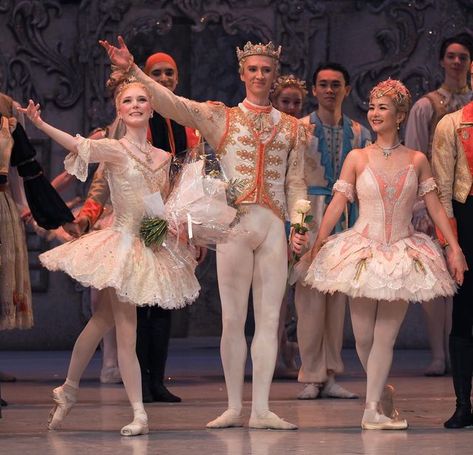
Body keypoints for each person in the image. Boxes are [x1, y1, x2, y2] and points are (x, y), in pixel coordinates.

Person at [100, 36, 308, 430]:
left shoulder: (293, 128)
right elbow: (171, 104)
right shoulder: (221, 116)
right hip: (234, 227)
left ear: (274, 74)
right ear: (242, 73)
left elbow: (296, 183)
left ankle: (261, 409)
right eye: (253, 69)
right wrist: (132, 70)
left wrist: (299, 228)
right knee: (232, 319)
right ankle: (234, 406)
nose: (260, 76)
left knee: (268, 319)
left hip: (272, 226)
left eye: (266, 70)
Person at [20, 79, 201, 436]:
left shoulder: (164, 158)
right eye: (128, 101)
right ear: (119, 110)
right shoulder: (115, 149)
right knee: (126, 328)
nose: (135, 105)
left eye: (142, 100)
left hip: (147, 245)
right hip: (119, 245)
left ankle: (68, 389)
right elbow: (78, 144)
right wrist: (40, 125)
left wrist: (177, 231)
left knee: (103, 321)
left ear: (152, 108)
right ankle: (138, 413)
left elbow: (163, 206)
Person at [304, 79, 466, 430]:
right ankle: (382, 394)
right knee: (363, 338)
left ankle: (372, 409)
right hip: (363, 249)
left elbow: (436, 207)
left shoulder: (417, 160)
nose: (375, 113)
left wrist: (453, 247)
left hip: (403, 254)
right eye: (372, 107)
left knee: (385, 337)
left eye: (383, 107)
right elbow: (338, 202)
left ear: (400, 115)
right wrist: (318, 240)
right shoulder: (357, 157)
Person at [68, 52, 200, 402]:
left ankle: (155, 380)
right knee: (132, 310)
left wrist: (190, 230)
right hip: (130, 221)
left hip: (166, 225)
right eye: (156, 73)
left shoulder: (187, 125)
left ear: (177, 77)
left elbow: (189, 184)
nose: (164, 78)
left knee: (162, 306)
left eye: (169, 73)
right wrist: (90, 213)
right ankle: (136, 382)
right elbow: (102, 175)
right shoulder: (130, 118)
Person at [295, 63, 371, 400]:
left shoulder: (360, 133)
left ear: (347, 88)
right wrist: (294, 227)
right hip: (309, 217)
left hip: (345, 222)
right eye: (323, 84)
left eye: (335, 84)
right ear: (313, 89)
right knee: (309, 301)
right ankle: (311, 374)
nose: (329, 90)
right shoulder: (298, 129)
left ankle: (330, 373)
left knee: (337, 301)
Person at [405, 33, 473, 376]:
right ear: (442, 60)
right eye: (451, 56)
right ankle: (437, 352)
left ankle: (459, 351)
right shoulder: (427, 106)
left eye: (463, 56)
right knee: (438, 281)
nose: (457, 62)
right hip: (434, 199)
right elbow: (416, 154)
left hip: (466, 199)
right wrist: (421, 208)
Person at [431, 80, 473, 428]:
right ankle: (463, 404)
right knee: (464, 315)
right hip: (468, 225)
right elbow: (442, 192)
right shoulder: (453, 123)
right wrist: (451, 246)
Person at [270, 74, 307, 377]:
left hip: (296, 210)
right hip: (270, 211)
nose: (292, 107)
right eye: (286, 102)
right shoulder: (268, 130)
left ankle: (291, 349)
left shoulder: (302, 132)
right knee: (274, 291)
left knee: (295, 288)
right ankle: (276, 349)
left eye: (296, 102)